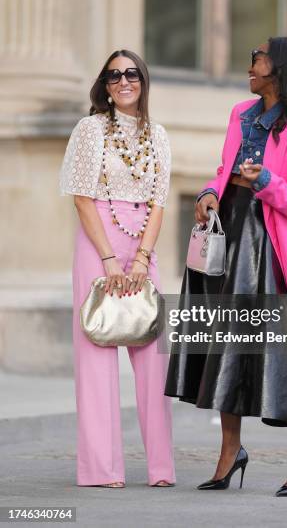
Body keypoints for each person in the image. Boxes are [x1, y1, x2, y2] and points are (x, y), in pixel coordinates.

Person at [165, 36, 287, 496]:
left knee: (272, 349)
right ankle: (230, 450)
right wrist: (208, 193)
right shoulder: (240, 114)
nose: (250, 65)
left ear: (280, 69)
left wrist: (269, 181)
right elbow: (223, 169)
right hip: (224, 232)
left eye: (257, 59)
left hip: (265, 243)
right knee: (222, 343)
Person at [60, 49, 175, 488]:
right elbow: (82, 198)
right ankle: (101, 468)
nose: (123, 81)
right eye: (113, 76)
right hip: (99, 240)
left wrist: (142, 257)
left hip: (142, 238)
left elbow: (160, 200)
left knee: (152, 354)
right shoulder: (90, 130)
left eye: (131, 74)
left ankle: (161, 468)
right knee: (97, 352)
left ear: (143, 81)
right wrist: (108, 257)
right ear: (104, 85)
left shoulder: (158, 135)